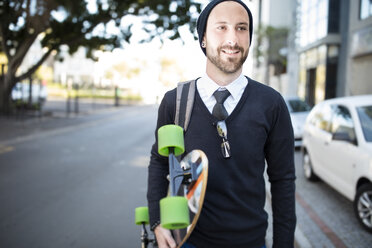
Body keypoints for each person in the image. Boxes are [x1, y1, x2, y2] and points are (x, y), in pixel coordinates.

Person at [147, 0, 296, 247]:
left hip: (251, 242)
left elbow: (283, 181)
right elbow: (159, 162)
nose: (233, 39)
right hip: (189, 241)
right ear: (203, 38)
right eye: (221, 27)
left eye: (241, 28)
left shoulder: (272, 104)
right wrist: (156, 221)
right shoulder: (175, 102)